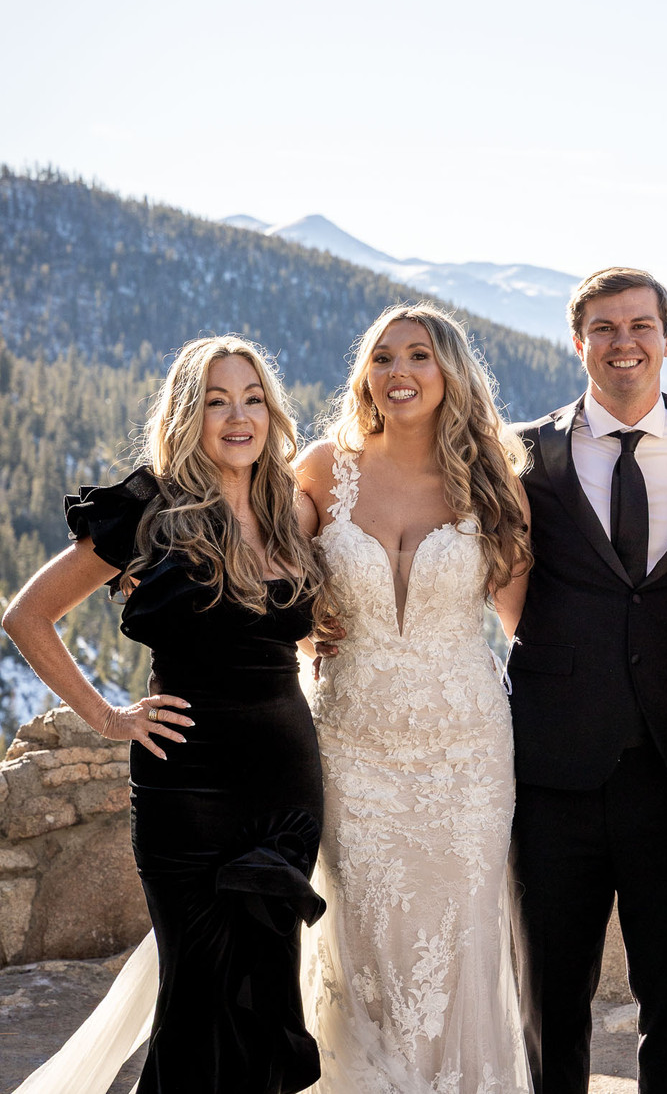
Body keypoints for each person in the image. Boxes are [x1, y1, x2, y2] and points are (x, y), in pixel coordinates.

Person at [3, 335, 333, 1094]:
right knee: (197, 998)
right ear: (189, 413)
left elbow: (279, 625)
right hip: (188, 794)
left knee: (265, 991)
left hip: (287, 791)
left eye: (251, 397)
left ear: (270, 410)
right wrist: (107, 715)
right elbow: (28, 614)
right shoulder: (148, 507)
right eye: (217, 400)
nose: (238, 416)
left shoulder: (286, 505)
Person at [296, 302, 534, 1094]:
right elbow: (274, 586)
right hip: (352, 755)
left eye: (419, 355)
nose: (399, 372)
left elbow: (525, 621)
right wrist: (304, 636)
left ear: (449, 372)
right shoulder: (325, 470)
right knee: (364, 944)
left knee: (460, 943)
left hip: (466, 757)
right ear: (366, 373)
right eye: (384, 356)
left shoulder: (495, 480)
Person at [507, 266, 667, 1094]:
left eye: (639, 325)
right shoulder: (524, 452)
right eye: (604, 327)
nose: (623, 341)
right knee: (555, 989)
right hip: (554, 766)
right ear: (578, 338)